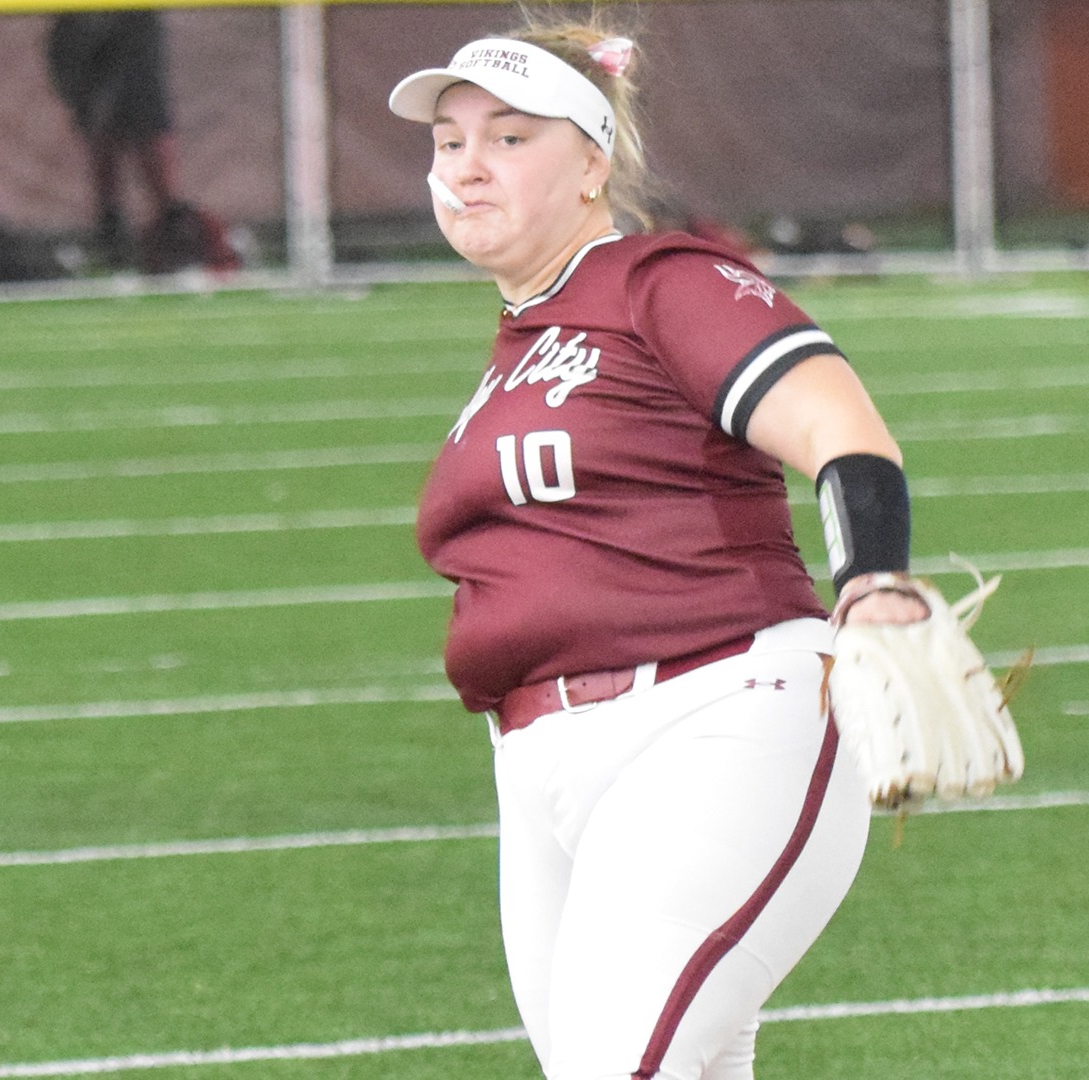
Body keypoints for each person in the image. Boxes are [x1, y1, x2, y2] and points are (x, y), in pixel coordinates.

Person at [388, 16, 927, 1078]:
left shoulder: (658, 281)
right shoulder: (519, 346)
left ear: (593, 162)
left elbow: (840, 429)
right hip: (540, 764)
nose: (466, 165)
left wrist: (874, 580)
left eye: (507, 137)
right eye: (448, 141)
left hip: (713, 719)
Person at [45, 10, 235, 273]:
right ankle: (111, 239)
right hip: (80, 22)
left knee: (148, 122)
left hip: (132, 19)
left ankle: (175, 233)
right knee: (99, 127)